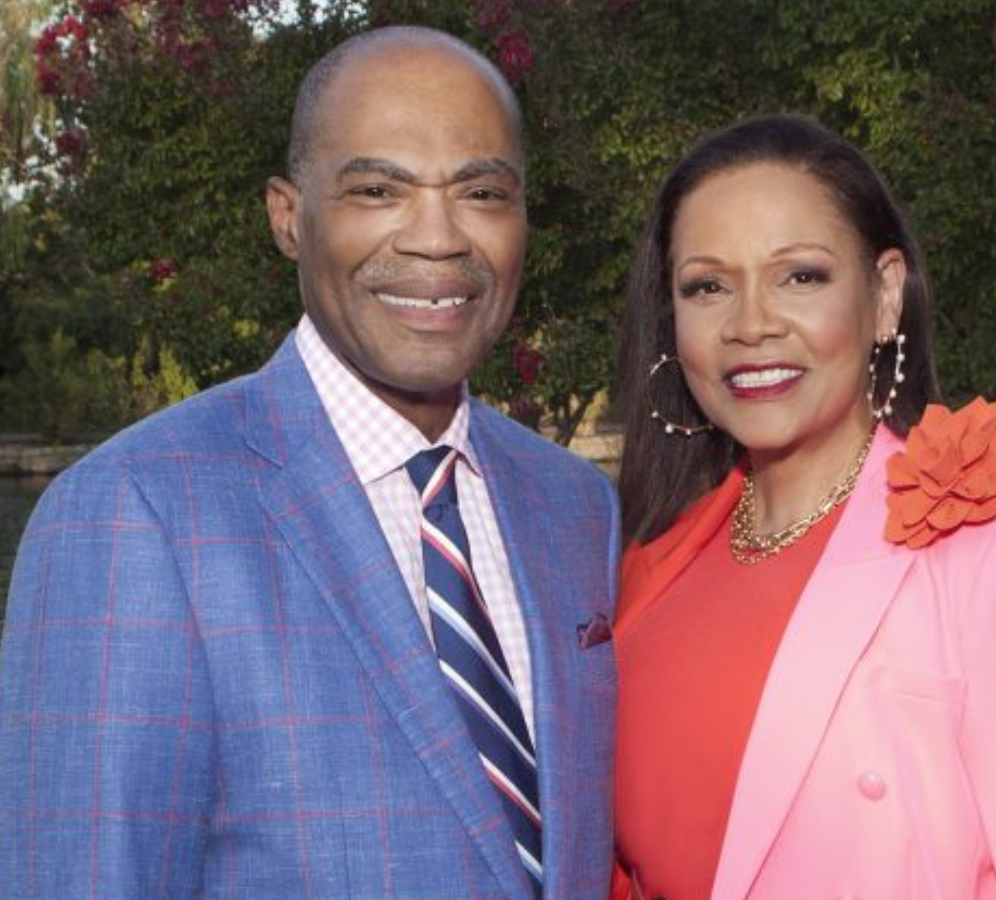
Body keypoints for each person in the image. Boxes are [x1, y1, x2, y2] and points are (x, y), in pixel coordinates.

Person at [0, 27, 619, 900]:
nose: (438, 239)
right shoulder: (131, 513)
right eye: (377, 189)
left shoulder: (577, 506)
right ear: (289, 217)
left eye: (482, 191)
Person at [612, 114, 996, 900]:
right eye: (707, 286)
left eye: (800, 276)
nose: (750, 324)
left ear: (883, 297)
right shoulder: (647, 566)